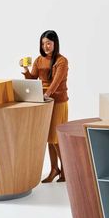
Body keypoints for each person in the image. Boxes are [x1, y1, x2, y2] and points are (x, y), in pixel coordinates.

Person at [20, 30, 69, 182]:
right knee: (49, 137)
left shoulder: (62, 61)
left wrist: (47, 94)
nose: (46, 46)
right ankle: (54, 169)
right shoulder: (39, 60)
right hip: (44, 101)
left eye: (48, 43)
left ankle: (66, 170)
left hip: (58, 101)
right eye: (43, 43)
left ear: (55, 43)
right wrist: (26, 70)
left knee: (56, 138)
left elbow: (57, 82)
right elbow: (33, 78)